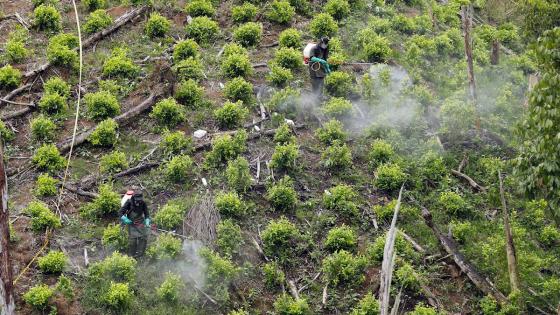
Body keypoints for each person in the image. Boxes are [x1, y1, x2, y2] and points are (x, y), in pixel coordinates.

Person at [119, 191, 150, 258]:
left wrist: (147, 221)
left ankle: (140, 254)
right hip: (131, 223)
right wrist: (125, 219)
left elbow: (146, 213)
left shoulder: (143, 203)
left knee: (144, 237)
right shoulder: (129, 202)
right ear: (134, 198)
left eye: (140, 200)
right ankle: (131, 256)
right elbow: (120, 212)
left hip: (140, 222)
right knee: (133, 241)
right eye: (137, 200)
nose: (138, 202)